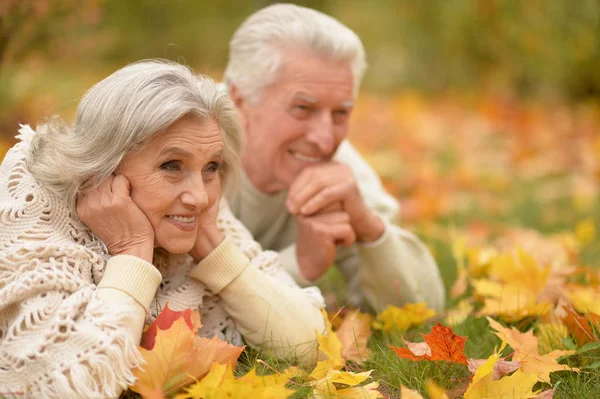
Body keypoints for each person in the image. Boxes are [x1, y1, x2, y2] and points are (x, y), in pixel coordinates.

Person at [0, 60, 325, 398]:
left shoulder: (197, 208)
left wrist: (218, 253)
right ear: (103, 168)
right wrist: (132, 254)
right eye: (172, 165)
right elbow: (57, 386)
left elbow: (311, 346)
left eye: (212, 166)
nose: (199, 196)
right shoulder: (34, 197)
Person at [224, 3, 445, 312]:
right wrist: (301, 263)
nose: (325, 139)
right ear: (240, 98)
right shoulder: (181, 155)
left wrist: (367, 227)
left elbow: (423, 310)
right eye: (303, 108)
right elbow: (176, 301)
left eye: (340, 113)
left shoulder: (339, 168)